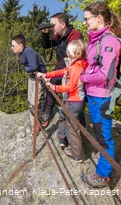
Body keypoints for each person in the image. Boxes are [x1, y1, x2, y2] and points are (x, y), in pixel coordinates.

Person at [79, 1, 121, 188]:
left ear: (98, 18)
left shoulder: (109, 41)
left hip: (102, 96)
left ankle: (103, 175)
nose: (84, 23)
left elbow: (106, 74)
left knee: (103, 136)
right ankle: (104, 169)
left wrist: (83, 77)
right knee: (99, 132)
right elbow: (94, 65)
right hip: (94, 93)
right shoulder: (96, 39)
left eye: (86, 19)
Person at [39, 12, 86, 147]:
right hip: (65, 70)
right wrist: (45, 33)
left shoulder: (74, 36)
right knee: (68, 103)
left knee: (55, 86)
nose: (52, 27)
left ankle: (46, 115)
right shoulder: (60, 36)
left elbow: (71, 58)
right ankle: (63, 130)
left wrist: (52, 74)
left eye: (53, 24)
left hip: (72, 72)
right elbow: (47, 45)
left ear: (63, 24)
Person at [37, 39, 88, 163]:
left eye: (69, 52)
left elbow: (70, 87)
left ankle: (76, 154)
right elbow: (62, 71)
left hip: (74, 101)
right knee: (64, 118)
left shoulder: (76, 68)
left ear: (74, 53)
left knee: (72, 127)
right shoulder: (75, 65)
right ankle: (63, 139)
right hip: (72, 99)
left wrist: (55, 87)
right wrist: (47, 75)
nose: (67, 54)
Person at [11, 34, 47, 134]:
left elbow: (33, 66)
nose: (12, 47)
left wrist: (26, 70)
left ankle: (37, 124)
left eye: (13, 45)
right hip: (32, 78)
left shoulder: (28, 52)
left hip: (39, 78)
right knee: (29, 99)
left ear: (20, 45)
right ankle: (37, 121)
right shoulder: (21, 53)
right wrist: (28, 70)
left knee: (33, 102)